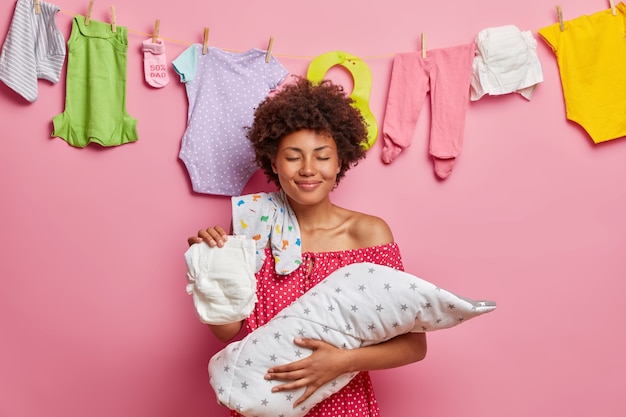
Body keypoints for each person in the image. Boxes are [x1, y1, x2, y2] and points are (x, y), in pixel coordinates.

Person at [187, 76, 427, 417]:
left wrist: (341, 362)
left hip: (345, 405)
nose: (309, 169)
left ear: (340, 161)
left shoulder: (369, 234)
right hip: (264, 402)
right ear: (274, 163)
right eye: (293, 156)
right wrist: (211, 269)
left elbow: (413, 345)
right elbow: (228, 330)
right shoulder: (252, 224)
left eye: (322, 156)